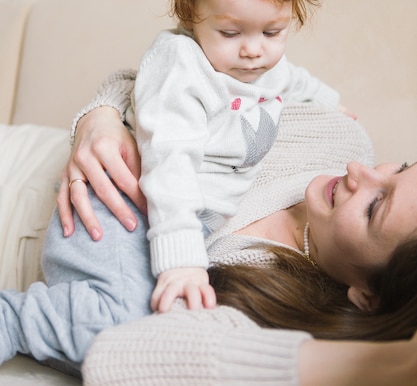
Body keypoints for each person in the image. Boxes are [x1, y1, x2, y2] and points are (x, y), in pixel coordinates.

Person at [59, 94, 417, 386]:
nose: (358, 171)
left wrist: (392, 365)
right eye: (399, 169)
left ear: (368, 297)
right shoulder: (335, 137)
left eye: (374, 207)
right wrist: (101, 116)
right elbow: (174, 79)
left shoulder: (275, 314)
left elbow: (116, 357)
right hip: (31, 158)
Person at [111, 0, 343, 312]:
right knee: (112, 314)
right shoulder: (181, 65)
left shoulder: (268, 68)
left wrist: (336, 107)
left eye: (273, 31)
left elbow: (299, 83)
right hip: (131, 208)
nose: (254, 50)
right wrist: (181, 261)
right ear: (187, 10)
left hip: (194, 222)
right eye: (231, 33)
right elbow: (169, 163)